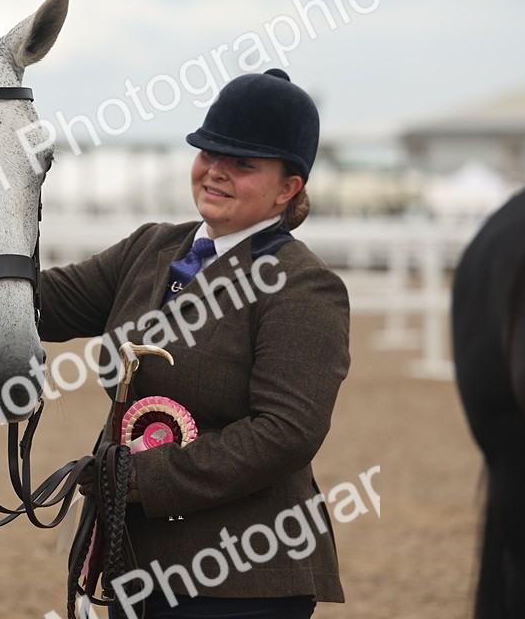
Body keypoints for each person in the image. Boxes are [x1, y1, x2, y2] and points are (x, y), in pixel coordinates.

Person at [40, 68, 350, 619]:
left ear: (288, 188)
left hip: (243, 578)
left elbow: (286, 433)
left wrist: (140, 478)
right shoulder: (152, 247)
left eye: (243, 165)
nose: (216, 172)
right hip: (131, 563)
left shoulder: (304, 285)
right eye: (209, 153)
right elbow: (46, 302)